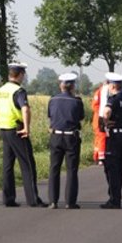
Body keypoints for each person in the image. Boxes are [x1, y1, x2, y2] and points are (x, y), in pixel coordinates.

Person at [0, 63, 47, 208]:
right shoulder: (19, 90)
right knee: (27, 164)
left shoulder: (1, 90)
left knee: (7, 165)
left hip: (4, 129)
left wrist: (0, 120)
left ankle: (8, 198)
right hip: (17, 129)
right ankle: (33, 199)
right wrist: (27, 128)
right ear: (20, 75)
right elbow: (25, 109)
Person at [47, 72, 85, 209]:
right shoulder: (77, 101)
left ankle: (53, 201)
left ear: (61, 86)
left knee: (54, 168)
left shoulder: (52, 100)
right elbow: (80, 117)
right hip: (71, 137)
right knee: (71, 170)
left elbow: (50, 116)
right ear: (73, 86)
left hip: (56, 136)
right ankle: (70, 201)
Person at [101, 72, 122, 209]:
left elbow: (107, 112)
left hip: (115, 137)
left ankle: (114, 200)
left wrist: (106, 122)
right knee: (120, 169)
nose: (108, 86)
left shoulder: (113, 99)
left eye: (108, 84)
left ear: (113, 85)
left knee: (111, 168)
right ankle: (117, 197)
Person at [91, 81, 107, 165]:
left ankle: (97, 156)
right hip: (99, 119)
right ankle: (101, 157)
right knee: (101, 137)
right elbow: (95, 106)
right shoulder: (101, 92)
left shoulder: (102, 92)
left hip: (99, 119)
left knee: (98, 139)